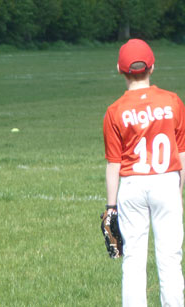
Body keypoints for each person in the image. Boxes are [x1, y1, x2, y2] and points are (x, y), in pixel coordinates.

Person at [103, 39, 185, 307]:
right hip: (166, 182)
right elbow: (182, 153)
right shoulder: (172, 101)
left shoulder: (114, 111)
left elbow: (114, 163)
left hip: (132, 185)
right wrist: (178, 189)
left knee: (134, 260)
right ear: (153, 67)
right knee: (170, 259)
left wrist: (111, 206)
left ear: (119, 69)